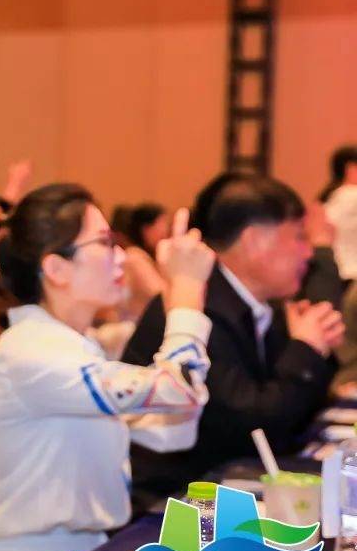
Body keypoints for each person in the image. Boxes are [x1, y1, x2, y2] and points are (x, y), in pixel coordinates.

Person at [0, 183, 216, 551]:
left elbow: (174, 426)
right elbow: (177, 389)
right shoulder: (30, 350)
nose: (121, 257)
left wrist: (177, 389)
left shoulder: (72, 346)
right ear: (56, 267)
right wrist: (186, 289)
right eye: (104, 243)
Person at [123, 174, 342, 503]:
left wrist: (317, 349)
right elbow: (251, 426)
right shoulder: (199, 306)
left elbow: (297, 416)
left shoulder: (264, 305)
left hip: (227, 484)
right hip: (170, 502)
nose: (308, 253)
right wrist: (306, 350)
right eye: (299, 237)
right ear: (254, 241)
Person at [111, 202, 171, 322]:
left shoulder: (144, 257)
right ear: (146, 230)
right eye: (161, 224)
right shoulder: (135, 257)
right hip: (136, 326)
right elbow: (161, 295)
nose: (166, 231)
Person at [321, 145, 357, 282]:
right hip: (351, 272)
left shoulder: (330, 196)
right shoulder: (351, 195)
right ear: (351, 168)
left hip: (336, 270)